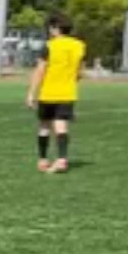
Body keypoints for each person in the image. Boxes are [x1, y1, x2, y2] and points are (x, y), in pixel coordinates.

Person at [27, 14, 86, 174]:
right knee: (61, 126)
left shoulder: (50, 46)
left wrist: (31, 93)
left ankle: (43, 159)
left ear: (55, 28)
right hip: (68, 93)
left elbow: (40, 70)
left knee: (44, 125)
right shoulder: (79, 46)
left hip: (48, 93)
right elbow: (80, 73)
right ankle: (62, 159)